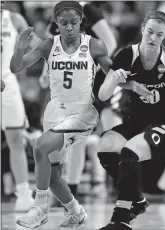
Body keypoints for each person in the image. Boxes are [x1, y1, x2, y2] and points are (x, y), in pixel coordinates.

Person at [97, 10, 165, 230]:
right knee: (105, 147)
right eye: (150, 32)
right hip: (137, 121)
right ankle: (138, 199)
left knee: (129, 152)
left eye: (159, 34)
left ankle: (121, 218)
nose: (154, 38)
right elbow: (102, 95)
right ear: (143, 30)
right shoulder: (127, 55)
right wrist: (114, 79)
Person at [9, 1, 113, 228]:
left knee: (40, 146)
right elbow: (16, 68)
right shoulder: (48, 45)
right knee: (53, 176)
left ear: (81, 22)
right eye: (63, 22)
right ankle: (76, 212)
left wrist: (134, 84)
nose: (68, 27)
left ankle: (39, 208)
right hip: (55, 111)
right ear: (56, 22)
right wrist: (18, 49)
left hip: (82, 112)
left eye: (73, 23)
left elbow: (113, 72)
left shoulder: (94, 45)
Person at [39, 1, 118, 199]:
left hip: (95, 81)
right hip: (67, 83)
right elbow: (51, 47)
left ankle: (114, 186)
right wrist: (44, 72)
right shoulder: (58, 13)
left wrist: (89, 69)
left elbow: (111, 43)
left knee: (97, 137)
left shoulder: (89, 10)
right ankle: (69, 188)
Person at [1, 0, 40, 211]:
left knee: (16, 139)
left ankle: (23, 194)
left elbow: (40, 46)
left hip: (7, 85)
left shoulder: (14, 19)